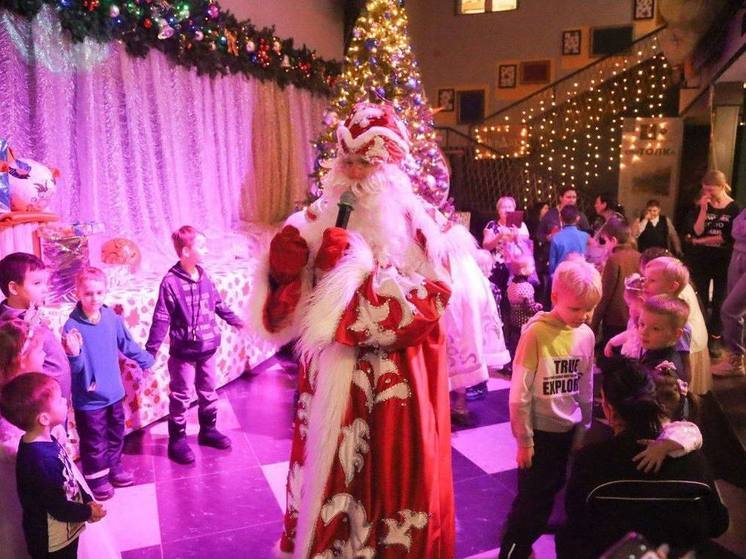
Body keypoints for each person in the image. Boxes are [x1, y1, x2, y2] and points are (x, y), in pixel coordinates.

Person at [253, 102, 456, 557]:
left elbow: (430, 301)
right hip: (328, 378)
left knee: (385, 476)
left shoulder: (419, 229)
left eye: (367, 161)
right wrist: (288, 271)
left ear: (391, 169)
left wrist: (350, 276)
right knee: (326, 473)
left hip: (391, 386)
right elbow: (283, 315)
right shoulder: (316, 216)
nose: (354, 171)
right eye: (347, 159)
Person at [556, 362, 728, 559]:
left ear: (609, 409)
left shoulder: (590, 460)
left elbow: (575, 526)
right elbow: (718, 523)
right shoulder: (692, 458)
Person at [498, 259, 602, 559]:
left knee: (553, 488)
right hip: (539, 434)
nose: (582, 316)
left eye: (589, 309)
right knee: (532, 499)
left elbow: (586, 384)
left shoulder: (585, 335)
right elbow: (519, 394)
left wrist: (583, 426)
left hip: (567, 430)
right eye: (575, 309)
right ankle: (513, 550)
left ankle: (523, 541)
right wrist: (524, 440)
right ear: (555, 297)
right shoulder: (536, 334)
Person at [146, 226, 245, 465]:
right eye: (202, 246)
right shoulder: (170, 282)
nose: (207, 250)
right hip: (184, 353)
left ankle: (208, 430)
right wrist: (150, 351)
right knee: (181, 395)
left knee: (209, 392)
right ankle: (177, 439)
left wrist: (237, 321)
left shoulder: (205, 275)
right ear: (186, 251)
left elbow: (218, 304)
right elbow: (161, 318)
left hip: (208, 348)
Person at [63, 268, 155, 500]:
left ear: (105, 292)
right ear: (78, 293)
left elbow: (127, 344)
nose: (94, 298)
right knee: (94, 441)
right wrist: (73, 354)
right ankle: (97, 478)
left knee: (116, 434)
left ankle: (114, 468)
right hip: (90, 398)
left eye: (99, 293)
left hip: (114, 393)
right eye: (88, 293)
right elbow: (75, 369)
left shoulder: (112, 318)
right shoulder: (72, 326)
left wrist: (146, 361)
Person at [0, 373, 108, 559]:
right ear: (43, 419)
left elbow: (69, 475)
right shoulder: (40, 459)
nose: (65, 400)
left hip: (65, 531)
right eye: (59, 400)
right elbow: (57, 506)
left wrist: (87, 499)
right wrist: (87, 511)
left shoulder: (46, 440)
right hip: (52, 543)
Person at [0, 253, 72, 399]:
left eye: (45, 283)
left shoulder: (34, 313)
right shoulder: (10, 329)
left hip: (56, 405)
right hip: (39, 411)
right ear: (14, 288)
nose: (45, 289)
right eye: (37, 283)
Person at [685, 170, 740, 348]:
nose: (707, 194)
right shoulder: (702, 204)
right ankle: (700, 334)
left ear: (722, 187)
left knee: (720, 298)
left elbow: (727, 237)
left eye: (711, 190)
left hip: (723, 258)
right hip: (701, 258)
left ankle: (715, 336)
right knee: (699, 296)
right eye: (705, 190)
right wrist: (703, 209)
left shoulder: (734, 208)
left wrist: (699, 241)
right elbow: (697, 230)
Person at [642, 256, 710, 395]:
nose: (644, 284)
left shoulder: (677, 320)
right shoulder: (652, 308)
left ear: (672, 286)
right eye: (645, 279)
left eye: (652, 281)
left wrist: (684, 390)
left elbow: (685, 361)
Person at [590, 218, 640, 352]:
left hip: (615, 320)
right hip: (634, 319)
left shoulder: (614, 260)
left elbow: (604, 297)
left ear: (613, 240)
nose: (604, 246)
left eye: (604, 241)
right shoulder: (639, 256)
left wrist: (593, 327)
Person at [482, 196, 531, 319]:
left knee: (514, 303)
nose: (507, 210)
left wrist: (516, 238)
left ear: (514, 209)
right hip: (496, 269)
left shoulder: (521, 226)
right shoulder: (492, 225)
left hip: (515, 270)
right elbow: (486, 246)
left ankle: (512, 331)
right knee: (495, 300)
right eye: (504, 207)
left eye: (510, 207)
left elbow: (526, 249)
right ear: (498, 210)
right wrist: (499, 236)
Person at [712, 207, 746, 376]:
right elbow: (735, 230)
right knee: (736, 311)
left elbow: (738, 229)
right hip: (738, 255)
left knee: (730, 309)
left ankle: (736, 360)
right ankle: (735, 358)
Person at [638, 295, 691, 383]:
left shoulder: (663, 371)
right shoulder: (654, 349)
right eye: (642, 324)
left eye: (655, 328)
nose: (644, 332)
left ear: (676, 334)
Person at [506, 254, 542, 357]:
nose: (533, 268)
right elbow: (529, 308)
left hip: (514, 321)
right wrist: (538, 307)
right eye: (532, 266)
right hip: (525, 323)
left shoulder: (511, 285)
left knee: (515, 343)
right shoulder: (527, 287)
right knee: (525, 346)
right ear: (524, 270)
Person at [604, 274, 644, 359]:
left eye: (629, 304)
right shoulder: (633, 321)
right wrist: (611, 342)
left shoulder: (645, 325)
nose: (629, 310)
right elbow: (629, 334)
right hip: (627, 359)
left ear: (641, 301)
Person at [548, 205, 589, 275]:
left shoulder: (556, 238)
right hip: (580, 276)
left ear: (560, 218)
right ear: (577, 218)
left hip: (562, 276)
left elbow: (552, 265)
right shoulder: (585, 236)